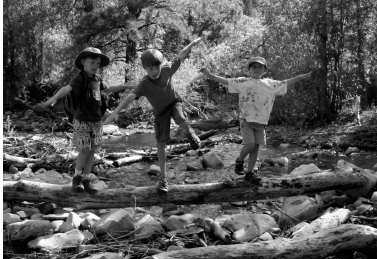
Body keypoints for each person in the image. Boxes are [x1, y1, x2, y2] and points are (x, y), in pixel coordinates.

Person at [104, 38, 202, 192]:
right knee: (160, 144)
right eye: (151, 69)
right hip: (160, 112)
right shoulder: (144, 84)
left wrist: (192, 44)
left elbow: (181, 55)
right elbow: (130, 97)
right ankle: (163, 179)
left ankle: (190, 133)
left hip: (174, 103)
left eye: (157, 67)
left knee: (181, 119)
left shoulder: (167, 69)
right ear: (145, 68)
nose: (155, 72)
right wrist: (116, 111)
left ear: (161, 65)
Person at [41, 47, 136, 193]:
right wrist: (54, 97)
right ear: (83, 62)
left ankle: (86, 179)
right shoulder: (80, 78)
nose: (95, 66)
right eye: (92, 62)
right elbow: (67, 88)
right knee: (84, 149)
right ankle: (77, 178)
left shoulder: (97, 79)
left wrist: (125, 86)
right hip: (82, 120)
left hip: (97, 121)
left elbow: (108, 89)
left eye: (98, 63)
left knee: (92, 151)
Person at [200, 57, 311, 181]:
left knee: (256, 148)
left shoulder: (270, 84)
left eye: (260, 67)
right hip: (246, 120)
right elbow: (226, 81)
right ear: (249, 69)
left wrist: (300, 78)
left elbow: (285, 82)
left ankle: (249, 172)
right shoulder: (243, 82)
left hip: (261, 122)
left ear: (264, 70)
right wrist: (209, 75)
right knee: (250, 145)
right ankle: (239, 161)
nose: (257, 69)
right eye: (254, 67)